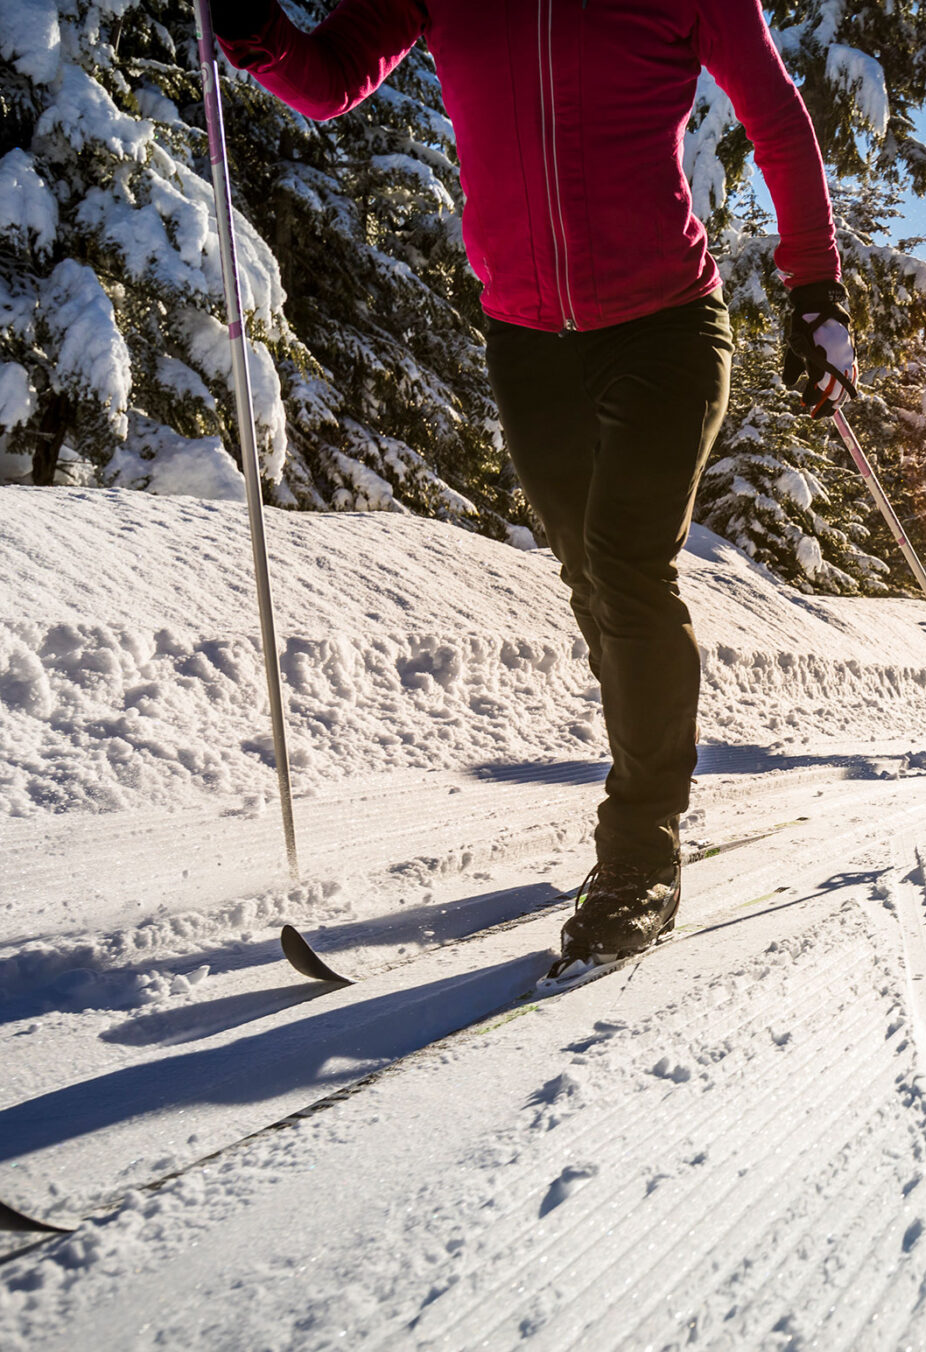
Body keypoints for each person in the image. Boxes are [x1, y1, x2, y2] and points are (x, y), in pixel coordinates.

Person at [211, 0, 858, 968]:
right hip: (528, 345)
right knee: (592, 584)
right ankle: (644, 775)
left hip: (666, 328)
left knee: (627, 566)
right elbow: (331, 76)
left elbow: (776, 115)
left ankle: (642, 849)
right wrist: (255, 33)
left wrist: (816, 288)